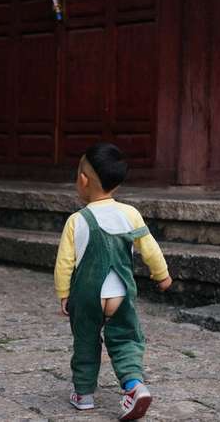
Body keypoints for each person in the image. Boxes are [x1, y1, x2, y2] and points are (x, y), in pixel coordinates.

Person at [54, 143, 172, 420]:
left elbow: (64, 263)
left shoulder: (76, 220)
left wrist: (63, 293)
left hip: (85, 295)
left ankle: (83, 395)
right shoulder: (130, 214)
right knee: (125, 339)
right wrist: (162, 275)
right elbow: (150, 249)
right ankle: (134, 385)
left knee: (85, 340)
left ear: (83, 180)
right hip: (120, 293)